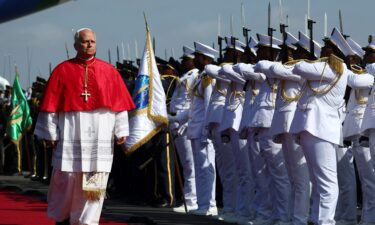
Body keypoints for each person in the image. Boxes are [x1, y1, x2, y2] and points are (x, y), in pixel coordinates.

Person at [34, 28, 135, 225]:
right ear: (75, 45)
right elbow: (50, 107)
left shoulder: (109, 72)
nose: (89, 45)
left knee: (94, 185)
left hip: (100, 136)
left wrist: (121, 129)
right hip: (71, 138)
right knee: (66, 182)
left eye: (92, 41)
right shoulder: (62, 70)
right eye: (84, 41)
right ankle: (63, 219)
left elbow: (119, 105)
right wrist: (50, 132)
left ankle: (87, 222)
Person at [291, 28, 373, 225]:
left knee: (327, 184)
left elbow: (299, 67)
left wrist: (352, 64)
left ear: (336, 54)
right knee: (321, 182)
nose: (321, 52)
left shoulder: (335, 69)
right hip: (314, 129)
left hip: (321, 130)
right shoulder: (329, 69)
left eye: (327, 50)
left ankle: (325, 221)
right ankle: (319, 220)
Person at [187, 41, 218, 216]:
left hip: (202, 131)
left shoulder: (208, 78)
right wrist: (175, 119)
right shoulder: (200, 77)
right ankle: (202, 203)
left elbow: (208, 106)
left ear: (205, 59)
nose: (195, 59)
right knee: (200, 169)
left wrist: (207, 130)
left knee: (206, 168)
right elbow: (194, 106)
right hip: (195, 129)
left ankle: (210, 204)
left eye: (198, 57)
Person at [169, 46, 199, 213]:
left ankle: (191, 200)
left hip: (185, 121)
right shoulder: (185, 76)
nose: (183, 63)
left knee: (190, 164)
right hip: (176, 121)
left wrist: (187, 121)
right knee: (186, 163)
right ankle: (190, 198)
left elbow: (195, 104)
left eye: (186, 60)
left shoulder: (195, 76)